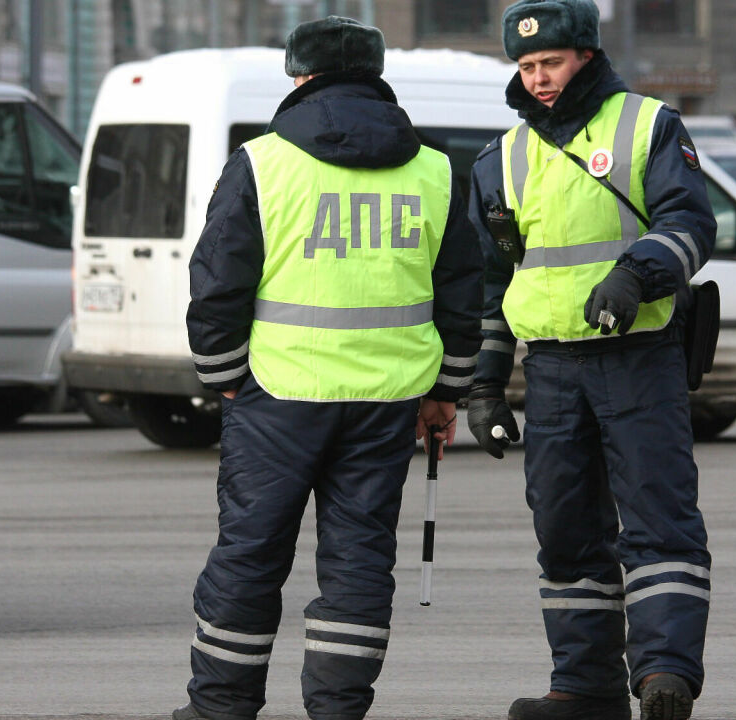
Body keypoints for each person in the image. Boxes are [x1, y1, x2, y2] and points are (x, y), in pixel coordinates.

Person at [175, 16, 483, 720]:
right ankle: (339, 711)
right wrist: (447, 392)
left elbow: (218, 278)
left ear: (299, 78)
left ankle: (221, 709)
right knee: (359, 564)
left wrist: (222, 373)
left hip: (278, 395)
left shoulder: (263, 162)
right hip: (389, 400)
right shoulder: (434, 169)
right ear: (377, 77)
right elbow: (464, 290)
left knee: (251, 555)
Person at [464, 2, 717, 720]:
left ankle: (664, 675)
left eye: (551, 63)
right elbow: (494, 282)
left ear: (585, 56)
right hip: (548, 370)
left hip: (639, 357)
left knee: (658, 520)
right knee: (566, 532)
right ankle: (584, 687)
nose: (539, 79)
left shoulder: (647, 125)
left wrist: (639, 272)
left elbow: (693, 224)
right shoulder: (500, 158)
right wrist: (484, 386)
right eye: (526, 67)